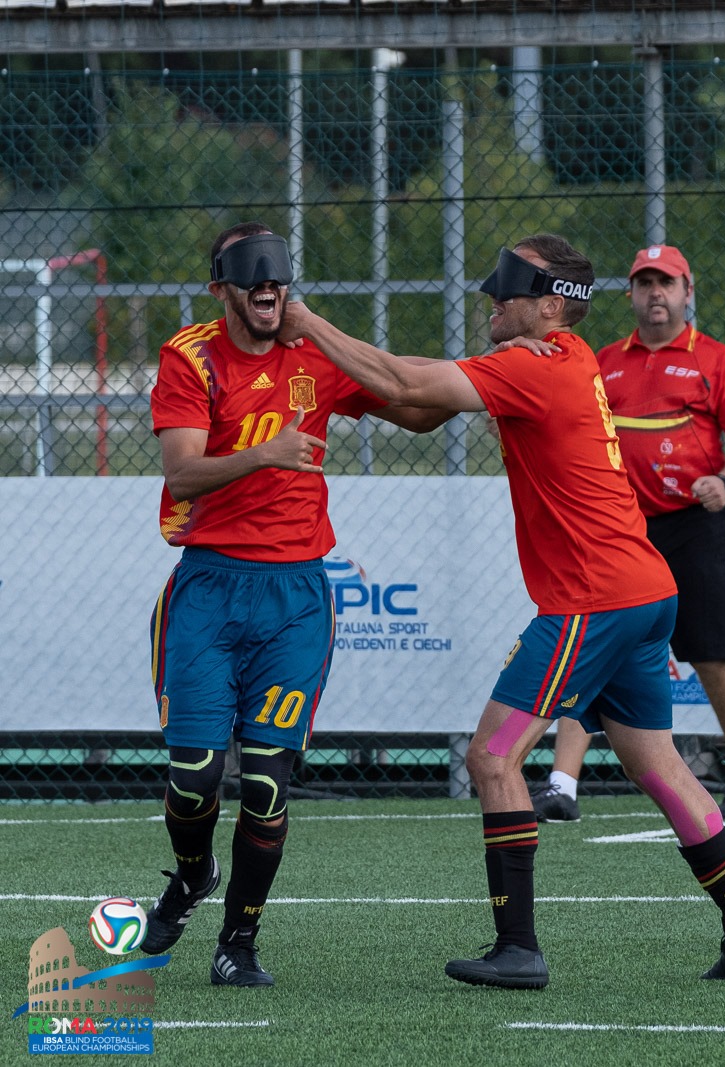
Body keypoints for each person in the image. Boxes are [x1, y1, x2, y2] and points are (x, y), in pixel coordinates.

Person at [278, 234, 725, 988]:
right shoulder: (569, 356)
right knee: (658, 762)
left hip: (595, 597)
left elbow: (405, 379)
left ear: (549, 305)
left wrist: (307, 323)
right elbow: (415, 407)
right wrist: (347, 380)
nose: (491, 302)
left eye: (504, 294)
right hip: (643, 591)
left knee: (491, 756)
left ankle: (518, 946)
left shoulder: (534, 363)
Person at [144, 222, 448, 986]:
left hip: (297, 595)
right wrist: (265, 454)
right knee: (193, 777)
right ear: (222, 290)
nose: (267, 288)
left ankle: (237, 943)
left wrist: (490, 388)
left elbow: (414, 409)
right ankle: (190, 876)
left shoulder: (313, 355)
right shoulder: (189, 356)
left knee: (271, 779)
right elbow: (181, 474)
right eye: (250, 278)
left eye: (276, 276)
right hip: (209, 587)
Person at [530, 245, 725, 823]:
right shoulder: (604, 360)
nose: (654, 293)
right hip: (620, 527)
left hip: (695, 525)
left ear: (688, 292)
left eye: (666, 282)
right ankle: (563, 783)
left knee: (715, 653)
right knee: (590, 644)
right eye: (644, 283)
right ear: (631, 294)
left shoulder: (714, 359)